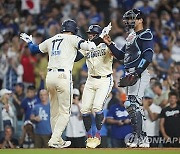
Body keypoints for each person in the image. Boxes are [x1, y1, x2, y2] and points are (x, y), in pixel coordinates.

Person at [20, 19, 97, 148]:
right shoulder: (72, 38)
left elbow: (33, 50)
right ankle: (55, 139)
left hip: (50, 77)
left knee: (54, 111)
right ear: (73, 30)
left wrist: (29, 41)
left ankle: (59, 139)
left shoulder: (52, 39)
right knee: (65, 112)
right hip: (63, 76)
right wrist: (94, 41)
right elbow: (90, 47)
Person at [103, 9, 154, 147]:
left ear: (140, 20)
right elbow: (121, 56)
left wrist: (137, 73)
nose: (129, 21)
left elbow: (148, 57)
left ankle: (142, 138)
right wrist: (110, 44)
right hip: (130, 73)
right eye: (128, 18)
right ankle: (139, 137)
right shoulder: (131, 36)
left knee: (132, 103)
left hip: (139, 73)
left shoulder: (146, 34)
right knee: (131, 105)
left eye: (133, 18)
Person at [75, 24, 114, 148]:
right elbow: (76, 58)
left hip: (104, 79)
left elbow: (119, 55)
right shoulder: (87, 46)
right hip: (90, 79)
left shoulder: (105, 45)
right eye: (89, 34)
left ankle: (97, 135)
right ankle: (89, 136)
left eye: (92, 34)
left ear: (97, 35)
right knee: (84, 109)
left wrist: (108, 43)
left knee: (97, 108)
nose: (90, 36)